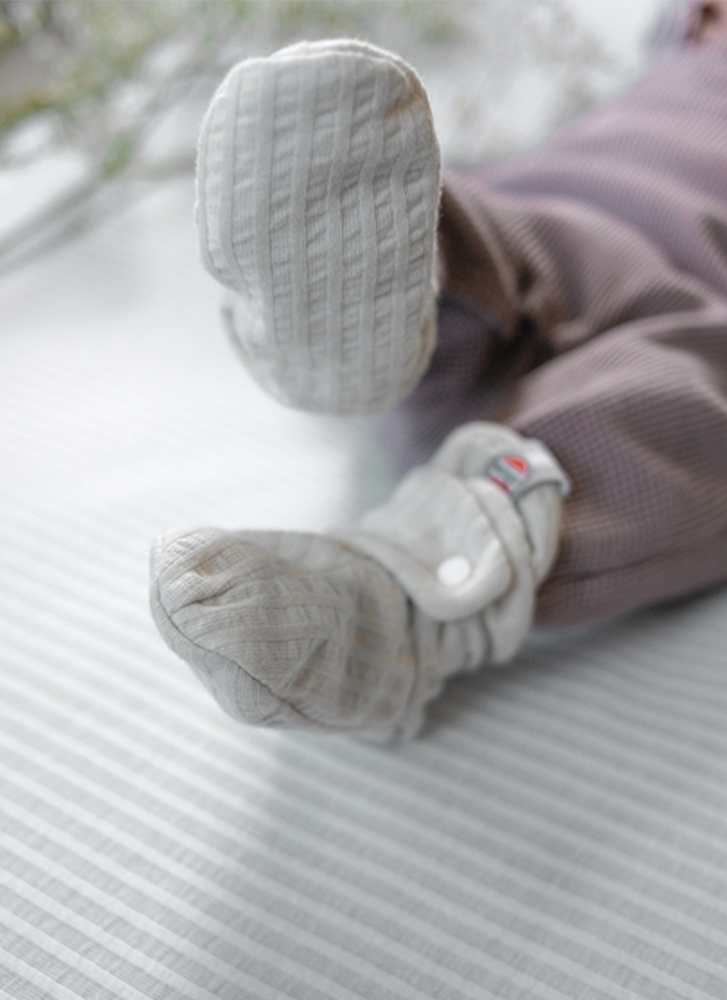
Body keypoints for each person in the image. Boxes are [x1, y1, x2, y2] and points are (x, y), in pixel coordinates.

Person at [149, 0, 727, 741]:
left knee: (677, 395)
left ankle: (395, 596)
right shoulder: (668, 57)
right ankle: (351, 298)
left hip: (690, 303)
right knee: (463, 233)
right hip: (548, 225)